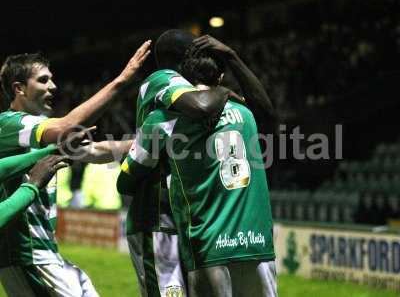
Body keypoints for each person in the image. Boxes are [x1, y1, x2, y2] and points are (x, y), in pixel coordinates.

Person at [118, 34, 278, 297]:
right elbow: (270, 117)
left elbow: (124, 181)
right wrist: (231, 59)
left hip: (209, 243)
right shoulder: (247, 113)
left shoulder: (164, 119)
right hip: (256, 241)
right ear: (221, 77)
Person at [0, 41, 150, 297]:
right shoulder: (10, 124)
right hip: (26, 255)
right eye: (43, 80)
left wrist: (151, 142)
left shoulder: (40, 130)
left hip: (45, 252)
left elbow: (95, 151)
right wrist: (122, 80)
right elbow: (69, 126)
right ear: (19, 88)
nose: (53, 87)